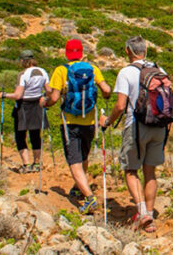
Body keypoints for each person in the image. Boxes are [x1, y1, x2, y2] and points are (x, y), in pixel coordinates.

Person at [100, 36, 173, 232]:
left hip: (136, 126)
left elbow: (120, 105)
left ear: (127, 51)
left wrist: (107, 121)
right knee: (150, 172)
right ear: (146, 50)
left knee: (131, 170)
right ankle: (149, 215)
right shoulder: (160, 71)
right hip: (159, 127)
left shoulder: (126, 72)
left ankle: (142, 213)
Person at [44, 39, 111, 215]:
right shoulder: (92, 69)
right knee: (83, 156)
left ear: (66, 54)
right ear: (81, 53)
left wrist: (44, 103)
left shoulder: (61, 70)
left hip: (69, 122)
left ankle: (89, 197)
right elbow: (107, 90)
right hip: (90, 122)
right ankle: (78, 186)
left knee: (74, 161)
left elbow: (54, 97)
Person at [0, 50, 49, 172]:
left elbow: (18, 95)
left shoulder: (22, 74)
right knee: (35, 135)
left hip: (23, 106)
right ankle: (37, 164)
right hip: (37, 104)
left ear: (23, 61)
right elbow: (49, 90)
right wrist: (43, 97)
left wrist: (5, 95)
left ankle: (26, 165)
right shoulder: (43, 71)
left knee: (20, 135)